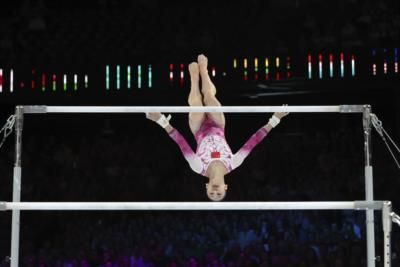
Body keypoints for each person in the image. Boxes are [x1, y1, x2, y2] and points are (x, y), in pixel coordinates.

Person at [146, 54, 288, 201]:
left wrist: (161, 120)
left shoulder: (198, 166)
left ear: (206, 187)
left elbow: (180, 142)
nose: (215, 192)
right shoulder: (234, 162)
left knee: (196, 105)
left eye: (211, 194)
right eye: (219, 194)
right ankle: (204, 71)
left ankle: (194, 80)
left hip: (198, 128)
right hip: (218, 125)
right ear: (225, 187)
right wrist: (275, 118)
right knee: (210, 99)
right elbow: (254, 140)